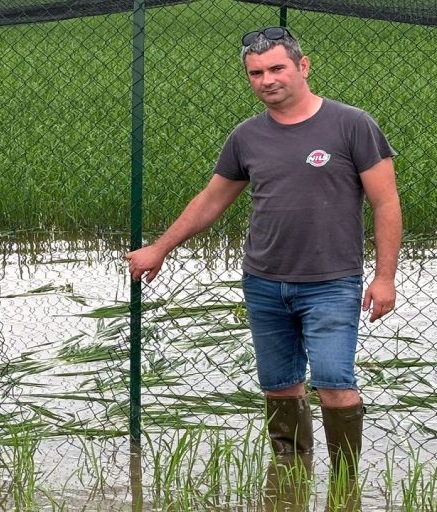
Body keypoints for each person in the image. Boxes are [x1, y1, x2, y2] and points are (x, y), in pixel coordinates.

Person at [124, 27, 401, 476]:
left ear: (302, 66)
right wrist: (160, 247)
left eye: (277, 68)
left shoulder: (352, 125)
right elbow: (212, 199)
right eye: (256, 73)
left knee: (335, 384)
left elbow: (386, 203)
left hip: (332, 283)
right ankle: (289, 482)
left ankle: (346, 485)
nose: (267, 80)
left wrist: (385, 277)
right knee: (279, 388)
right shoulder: (246, 137)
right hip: (264, 283)